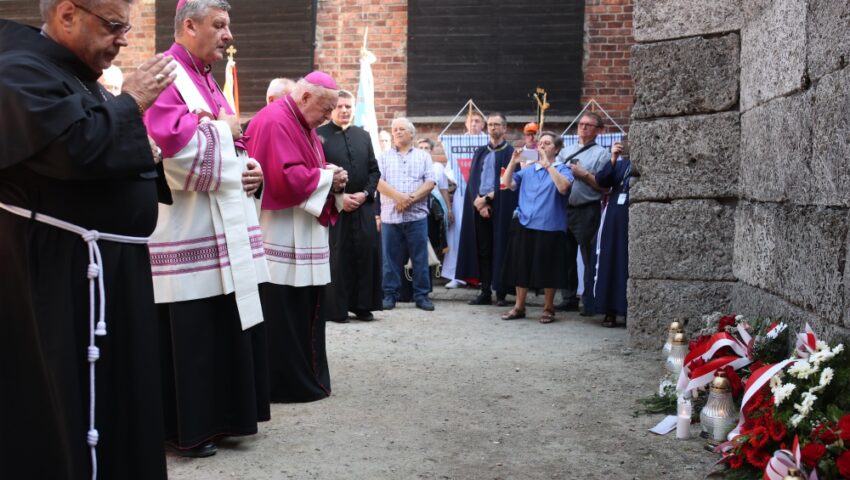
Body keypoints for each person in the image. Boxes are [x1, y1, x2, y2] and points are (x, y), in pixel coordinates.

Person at [0, 1, 176, 477]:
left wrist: (144, 150)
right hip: (63, 275)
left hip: (105, 270)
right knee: (74, 403)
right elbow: (75, 151)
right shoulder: (18, 71)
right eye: (114, 26)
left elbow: (102, 146)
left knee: (123, 400)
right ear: (67, 14)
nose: (124, 38)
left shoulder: (73, 74)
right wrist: (131, 102)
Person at [144, 0, 270, 457]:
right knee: (193, 333)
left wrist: (251, 168)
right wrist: (226, 133)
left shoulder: (207, 78)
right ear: (189, 25)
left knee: (223, 324)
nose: (228, 35)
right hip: (187, 230)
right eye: (219, 25)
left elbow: (232, 143)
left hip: (222, 228)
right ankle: (189, 429)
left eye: (227, 26)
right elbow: (172, 154)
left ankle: (225, 419)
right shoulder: (166, 74)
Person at [245, 71, 346, 402]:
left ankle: (306, 378)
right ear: (305, 97)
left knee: (302, 307)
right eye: (326, 109)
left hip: (300, 231)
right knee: (283, 311)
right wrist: (328, 178)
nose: (328, 117)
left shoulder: (302, 123)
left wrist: (330, 174)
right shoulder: (276, 121)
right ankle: (285, 384)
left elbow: (306, 168)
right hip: (279, 233)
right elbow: (283, 178)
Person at [316, 89, 382, 323]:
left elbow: (374, 170)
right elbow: (317, 170)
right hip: (334, 207)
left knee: (366, 252)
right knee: (338, 256)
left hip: (363, 206)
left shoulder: (363, 136)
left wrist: (365, 194)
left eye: (348, 107)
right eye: (340, 106)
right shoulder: (318, 135)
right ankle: (337, 309)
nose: (344, 110)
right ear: (332, 108)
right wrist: (339, 198)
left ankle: (363, 306)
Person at [499, 132, 573, 323]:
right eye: (540, 143)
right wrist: (513, 162)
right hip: (524, 223)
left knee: (549, 268)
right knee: (521, 267)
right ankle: (519, 307)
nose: (542, 146)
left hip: (550, 226)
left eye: (547, 143)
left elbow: (563, 188)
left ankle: (548, 308)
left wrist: (548, 165)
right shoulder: (529, 170)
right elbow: (506, 184)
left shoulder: (563, 169)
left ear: (557, 149)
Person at [456, 113, 517, 307]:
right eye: (490, 124)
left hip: (501, 206)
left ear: (504, 128)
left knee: (501, 247)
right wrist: (478, 202)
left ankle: (501, 292)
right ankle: (485, 291)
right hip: (479, 207)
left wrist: (488, 199)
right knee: (483, 250)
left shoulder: (511, 153)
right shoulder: (480, 151)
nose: (493, 127)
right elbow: (474, 179)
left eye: (497, 124)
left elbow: (510, 182)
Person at [377, 117, 437, 311]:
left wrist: (409, 199)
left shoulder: (423, 157)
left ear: (412, 134)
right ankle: (390, 296)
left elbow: (430, 182)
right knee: (390, 259)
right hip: (390, 216)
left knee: (420, 258)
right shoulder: (383, 157)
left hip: (416, 217)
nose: (397, 132)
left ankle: (422, 296)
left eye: (402, 129)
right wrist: (398, 197)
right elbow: (378, 182)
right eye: (395, 129)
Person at [555, 112, 610, 315]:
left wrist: (584, 175)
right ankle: (568, 298)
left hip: (587, 209)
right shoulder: (565, 151)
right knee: (565, 256)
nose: (583, 127)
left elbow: (605, 187)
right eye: (581, 124)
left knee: (589, 258)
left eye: (589, 125)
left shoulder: (602, 154)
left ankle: (589, 301)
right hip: (564, 208)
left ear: (599, 131)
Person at [572, 140, 629, 327]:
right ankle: (609, 309)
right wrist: (612, 158)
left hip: (632, 217)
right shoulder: (619, 164)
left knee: (627, 264)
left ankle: (627, 310)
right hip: (613, 219)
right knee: (609, 260)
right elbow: (602, 181)